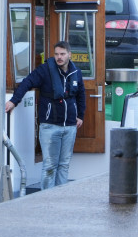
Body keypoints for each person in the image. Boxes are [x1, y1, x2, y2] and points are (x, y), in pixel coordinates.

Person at [5, 40, 85, 188]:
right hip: (50, 126)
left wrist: (80, 115)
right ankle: (46, 198)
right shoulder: (45, 70)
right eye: (56, 54)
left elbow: (81, 95)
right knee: (49, 165)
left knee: (64, 164)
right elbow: (27, 82)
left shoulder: (76, 73)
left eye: (62, 54)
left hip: (70, 126)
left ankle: (60, 196)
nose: (59, 57)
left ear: (69, 55)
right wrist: (14, 101)